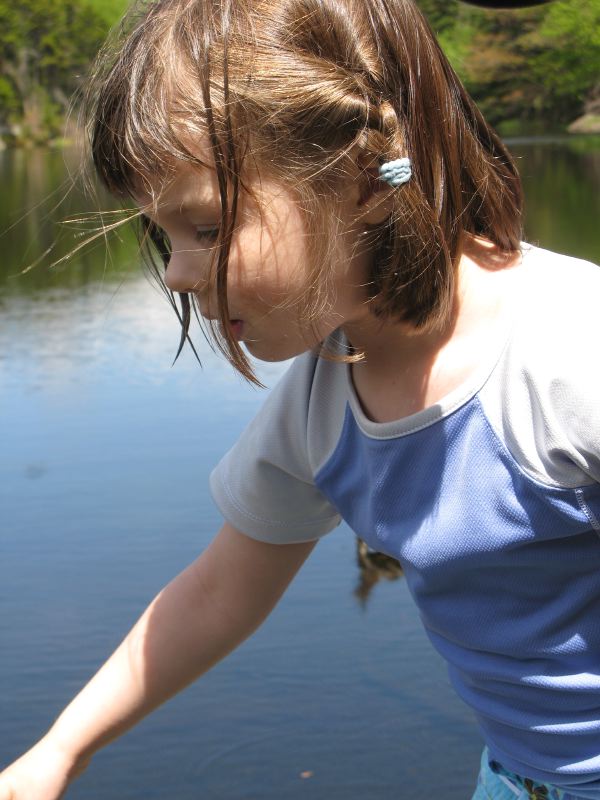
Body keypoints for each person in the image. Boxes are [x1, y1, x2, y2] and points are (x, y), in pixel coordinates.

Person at [1, 0, 599, 798]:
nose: (177, 274)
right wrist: (56, 753)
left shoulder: (568, 355)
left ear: (359, 178)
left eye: (207, 229)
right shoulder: (322, 398)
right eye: (160, 236)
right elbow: (218, 593)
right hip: (511, 779)